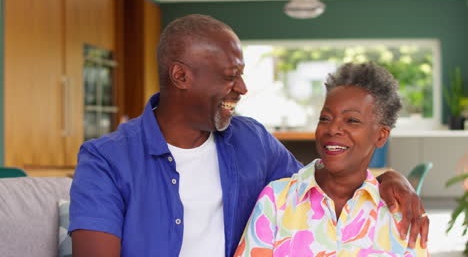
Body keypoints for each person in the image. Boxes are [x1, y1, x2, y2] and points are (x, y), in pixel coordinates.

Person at [69, 15, 428, 257]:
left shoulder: (250, 140)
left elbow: (316, 183)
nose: (241, 88)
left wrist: (389, 179)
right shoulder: (106, 159)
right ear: (181, 76)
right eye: (230, 76)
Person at [234, 62, 428, 257]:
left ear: (381, 136)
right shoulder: (276, 200)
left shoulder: (400, 213)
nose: (332, 129)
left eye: (351, 120)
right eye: (325, 118)